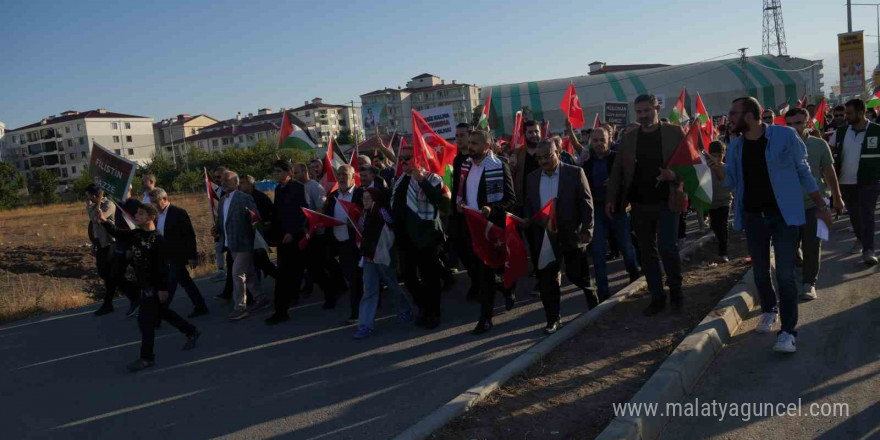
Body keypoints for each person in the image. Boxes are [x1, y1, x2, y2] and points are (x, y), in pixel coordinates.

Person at [717, 96, 833, 353]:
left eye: (734, 114)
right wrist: (719, 170)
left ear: (749, 116)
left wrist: (822, 206)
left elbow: (804, 172)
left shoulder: (785, 137)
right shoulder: (735, 146)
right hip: (753, 218)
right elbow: (732, 183)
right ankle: (770, 309)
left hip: (784, 216)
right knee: (760, 272)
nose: (730, 118)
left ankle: (788, 332)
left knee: (785, 275)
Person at [606, 94, 687, 316]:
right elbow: (617, 171)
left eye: (646, 111)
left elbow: (690, 164)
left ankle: (676, 291)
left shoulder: (674, 132)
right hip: (640, 204)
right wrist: (612, 198)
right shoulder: (629, 138)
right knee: (646, 252)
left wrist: (673, 175)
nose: (642, 116)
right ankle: (657, 295)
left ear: (657, 108)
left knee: (668, 248)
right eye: (638, 112)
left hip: (667, 201)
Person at [95, 202, 199, 372]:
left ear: (151, 217)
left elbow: (162, 268)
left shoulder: (158, 240)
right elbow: (118, 233)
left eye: (141, 214)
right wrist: (103, 220)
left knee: (145, 322)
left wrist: (163, 289)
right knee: (163, 313)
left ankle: (146, 358)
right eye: (137, 214)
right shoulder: (136, 234)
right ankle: (191, 331)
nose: (137, 216)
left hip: (154, 286)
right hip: (143, 284)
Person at [525, 138, 594, 334]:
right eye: (539, 158)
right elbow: (530, 204)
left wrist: (587, 230)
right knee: (547, 281)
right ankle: (553, 319)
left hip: (571, 235)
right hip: (545, 237)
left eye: (547, 156)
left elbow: (586, 204)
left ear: (559, 152)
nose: (543, 161)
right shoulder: (532, 178)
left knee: (577, 275)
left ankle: (594, 302)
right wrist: (527, 220)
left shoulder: (574, 173)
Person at [457, 129, 515, 335]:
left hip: (490, 228)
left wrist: (492, 208)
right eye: (469, 141)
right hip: (471, 227)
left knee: (488, 272)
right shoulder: (465, 165)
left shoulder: (499, 166)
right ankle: (505, 290)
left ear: (487, 146)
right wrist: (459, 202)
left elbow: (510, 199)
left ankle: (486, 318)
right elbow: (461, 190)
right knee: (483, 273)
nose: (469, 146)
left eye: (474, 143)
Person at [784, 108, 845, 299]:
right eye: (790, 124)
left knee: (813, 245)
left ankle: (809, 283)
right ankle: (799, 267)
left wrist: (837, 197)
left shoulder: (819, 145)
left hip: (817, 204)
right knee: (790, 247)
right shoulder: (780, 146)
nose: (794, 127)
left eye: (798, 122)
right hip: (789, 206)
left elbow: (829, 172)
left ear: (808, 122)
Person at [575, 126, 641, 299]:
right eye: (595, 140)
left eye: (602, 140)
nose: (598, 144)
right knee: (598, 252)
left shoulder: (617, 158)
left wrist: (616, 187)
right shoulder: (586, 163)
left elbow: (630, 181)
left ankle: (635, 275)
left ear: (609, 140)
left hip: (618, 209)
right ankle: (603, 292)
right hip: (596, 211)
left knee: (626, 246)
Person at [392, 143, 450, 330]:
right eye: (401, 159)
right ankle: (424, 305)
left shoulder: (432, 177)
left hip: (426, 237)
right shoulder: (400, 180)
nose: (403, 162)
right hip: (405, 238)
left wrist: (421, 179)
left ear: (417, 158)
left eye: (407, 158)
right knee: (408, 277)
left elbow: (439, 201)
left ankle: (434, 313)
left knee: (430, 278)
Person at [355, 187, 414, 338]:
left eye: (368, 198)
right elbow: (361, 229)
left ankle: (405, 309)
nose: (365, 201)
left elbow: (390, 228)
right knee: (369, 291)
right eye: (364, 198)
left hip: (383, 256)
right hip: (369, 257)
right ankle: (365, 325)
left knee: (392, 285)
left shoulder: (382, 212)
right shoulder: (364, 213)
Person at [829, 98, 880, 265]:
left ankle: (868, 250)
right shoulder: (841, 132)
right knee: (855, 217)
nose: (846, 116)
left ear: (861, 112)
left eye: (849, 113)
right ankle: (860, 239)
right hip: (845, 182)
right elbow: (830, 154)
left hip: (869, 181)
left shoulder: (876, 131)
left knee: (867, 215)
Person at [215, 170, 270, 320]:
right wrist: (217, 229)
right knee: (250, 273)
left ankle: (240, 307)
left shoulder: (244, 198)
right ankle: (261, 298)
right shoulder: (222, 200)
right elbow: (222, 220)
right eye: (222, 180)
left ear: (236, 182)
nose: (224, 182)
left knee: (236, 274)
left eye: (227, 180)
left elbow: (255, 220)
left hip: (245, 242)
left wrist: (258, 242)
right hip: (231, 242)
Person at [149, 188, 209, 318]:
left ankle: (159, 314)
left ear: (164, 199)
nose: (153, 205)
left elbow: (189, 235)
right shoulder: (157, 216)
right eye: (152, 202)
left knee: (169, 285)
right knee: (185, 281)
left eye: (155, 202)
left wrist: (192, 256)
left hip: (177, 255)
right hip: (165, 255)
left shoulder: (178, 213)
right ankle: (200, 305)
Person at [265, 160, 308, 325]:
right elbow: (277, 214)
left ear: (289, 172)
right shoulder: (278, 189)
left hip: (295, 238)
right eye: (275, 171)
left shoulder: (298, 188)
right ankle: (282, 309)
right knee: (286, 275)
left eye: (279, 171)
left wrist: (293, 232)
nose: (276, 174)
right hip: (282, 239)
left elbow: (303, 214)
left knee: (290, 274)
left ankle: (282, 309)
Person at [324, 164, 364, 324]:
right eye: (339, 174)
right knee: (352, 278)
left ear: (353, 177)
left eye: (345, 174)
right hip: (341, 244)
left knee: (357, 280)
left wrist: (356, 220)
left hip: (358, 244)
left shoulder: (361, 194)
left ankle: (357, 312)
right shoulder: (333, 196)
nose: (341, 177)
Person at [86, 184, 133, 316]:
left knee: (113, 275)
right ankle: (124, 297)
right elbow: (94, 228)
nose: (88, 198)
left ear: (94, 195)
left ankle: (124, 298)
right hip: (101, 244)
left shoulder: (108, 205)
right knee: (104, 273)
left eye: (89, 195)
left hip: (111, 243)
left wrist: (89, 207)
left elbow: (96, 220)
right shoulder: (96, 206)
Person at [449, 123, 480, 300]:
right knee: (460, 248)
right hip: (458, 213)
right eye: (457, 135)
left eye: (462, 135)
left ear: (470, 136)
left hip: (473, 212)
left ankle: (480, 283)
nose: (458, 138)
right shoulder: (457, 159)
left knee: (474, 249)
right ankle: (475, 279)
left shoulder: (476, 159)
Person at [239, 175, 279, 287]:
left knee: (261, 263)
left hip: (260, 235)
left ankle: (283, 281)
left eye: (242, 182)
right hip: (251, 235)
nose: (239, 185)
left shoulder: (260, 198)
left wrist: (265, 225)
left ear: (250, 184)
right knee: (259, 263)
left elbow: (270, 215)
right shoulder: (243, 198)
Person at [706, 141, 733, 262]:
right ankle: (720, 243)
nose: (717, 158)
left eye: (719, 156)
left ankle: (723, 252)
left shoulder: (726, 167)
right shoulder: (706, 168)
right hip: (712, 202)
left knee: (723, 225)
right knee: (715, 225)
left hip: (725, 200)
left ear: (724, 155)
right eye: (714, 155)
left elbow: (729, 184)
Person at [511, 120, 543, 217]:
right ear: (524, 134)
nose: (534, 134)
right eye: (530, 132)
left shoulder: (547, 151)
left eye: (536, 131)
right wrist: (512, 166)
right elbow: (511, 177)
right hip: (523, 203)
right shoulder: (518, 153)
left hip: (544, 200)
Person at [211, 166, 228, 280]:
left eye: (219, 176)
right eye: (215, 177)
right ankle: (221, 270)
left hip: (230, 225)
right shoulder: (216, 192)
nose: (216, 179)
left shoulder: (232, 190)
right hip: (219, 224)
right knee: (218, 247)